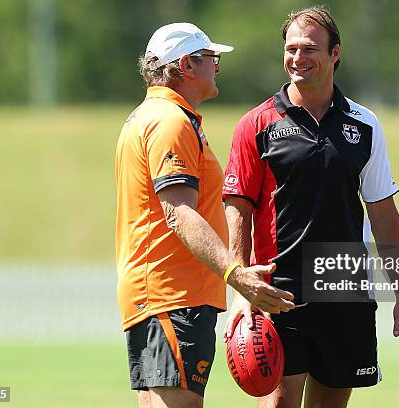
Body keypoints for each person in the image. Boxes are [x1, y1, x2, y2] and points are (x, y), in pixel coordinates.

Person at [222, 6, 399, 407]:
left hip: (344, 291)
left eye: (310, 48)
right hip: (279, 292)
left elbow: (384, 216)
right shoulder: (256, 124)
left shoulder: (365, 125)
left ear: (335, 54)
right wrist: (241, 289)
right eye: (291, 48)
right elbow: (238, 206)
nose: (298, 57)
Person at [115, 23, 294, 408]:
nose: (218, 67)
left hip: (161, 294)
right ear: (186, 65)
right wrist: (235, 274)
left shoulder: (153, 115)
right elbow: (179, 213)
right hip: (172, 294)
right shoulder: (170, 121)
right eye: (212, 58)